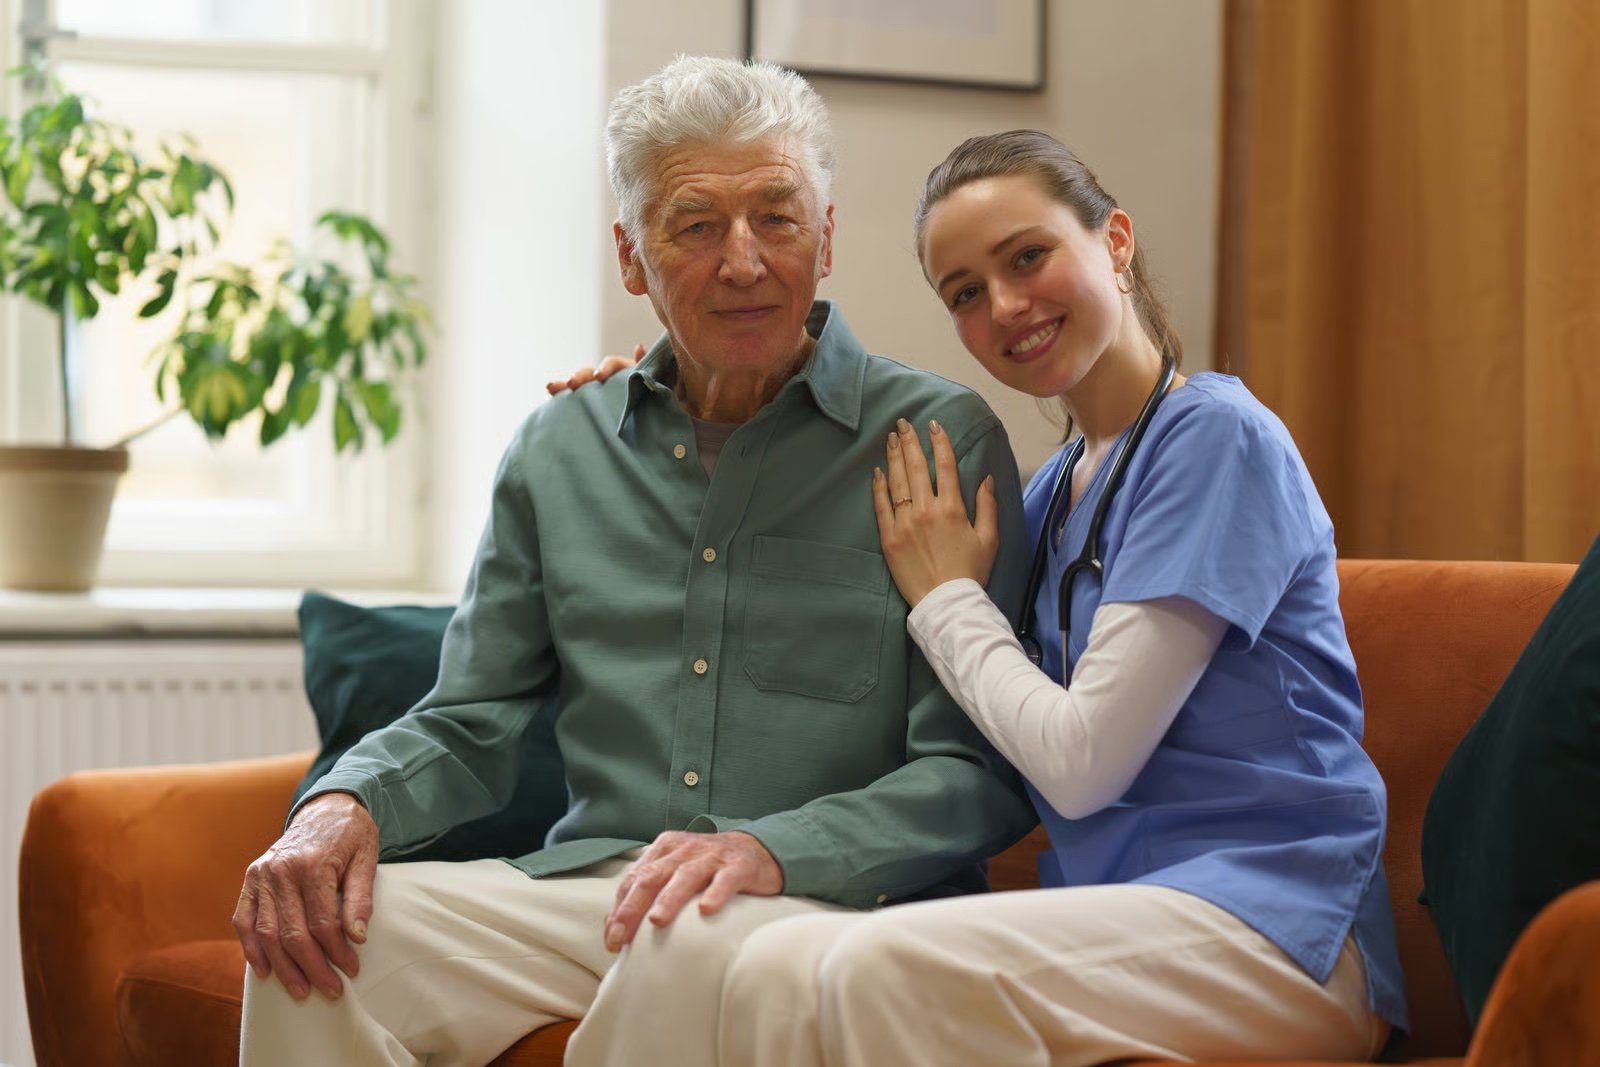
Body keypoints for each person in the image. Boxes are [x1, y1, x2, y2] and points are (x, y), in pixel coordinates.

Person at [232, 58, 1037, 1067]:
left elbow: (976, 771)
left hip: (835, 907)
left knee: (682, 935)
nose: (743, 261)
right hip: (595, 893)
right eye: (695, 226)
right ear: (630, 255)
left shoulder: (935, 442)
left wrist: (770, 848)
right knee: (318, 942)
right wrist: (342, 802)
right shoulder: (558, 447)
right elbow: (469, 720)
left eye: (778, 219)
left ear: (825, 239)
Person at [564, 130, 1408, 1064]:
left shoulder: (1215, 438)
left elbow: (1082, 762)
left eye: (1028, 257)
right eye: (966, 292)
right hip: (1116, 917)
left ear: (1116, 241)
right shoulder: (1046, 499)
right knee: (767, 961)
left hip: (1282, 929)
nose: (1005, 305)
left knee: (873, 967)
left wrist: (949, 602)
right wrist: (663, 397)